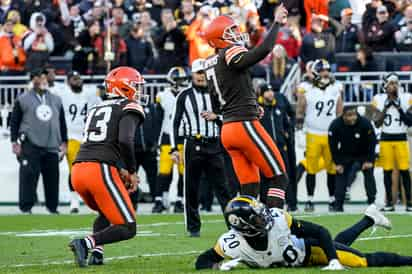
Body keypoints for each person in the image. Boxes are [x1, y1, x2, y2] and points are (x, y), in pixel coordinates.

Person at [202, 4, 289, 209]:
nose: (236, 34)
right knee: (278, 177)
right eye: (230, 32)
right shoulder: (229, 52)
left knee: (249, 188)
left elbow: (218, 101)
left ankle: (245, 234)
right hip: (244, 125)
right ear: (219, 38)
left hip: (228, 129)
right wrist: (276, 23)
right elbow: (263, 50)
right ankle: (276, 227)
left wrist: (249, 103)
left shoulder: (209, 63)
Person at [193, 196, 412, 271]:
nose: (265, 218)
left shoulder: (278, 219)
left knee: (361, 261)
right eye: (257, 217)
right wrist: (218, 266)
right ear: (242, 225)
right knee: (336, 244)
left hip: (308, 251)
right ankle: (369, 218)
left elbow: (320, 232)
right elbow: (202, 261)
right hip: (297, 258)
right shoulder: (231, 243)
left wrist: (333, 261)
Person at [68, 66, 145, 267]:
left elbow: (101, 141)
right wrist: (131, 170)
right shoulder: (128, 106)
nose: (139, 90)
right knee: (128, 227)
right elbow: (125, 140)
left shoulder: (96, 107)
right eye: (136, 86)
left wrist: (118, 168)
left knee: (106, 211)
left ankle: (97, 253)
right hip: (98, 169)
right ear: (124, 87)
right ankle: (86, 243)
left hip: (78, 169)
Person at [170, 58, 232, 237]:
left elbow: (228, 116)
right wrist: (175, 148)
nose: (201, 76)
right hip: (193, 144)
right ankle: (193, 228)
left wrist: (217, 117)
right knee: (191, 188)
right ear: (192, 75)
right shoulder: (184, 95)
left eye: (204, 73)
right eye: (198, 73)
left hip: (214, 143)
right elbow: (175, 122)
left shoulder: (217, 94)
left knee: (223, 189)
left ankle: (234, 226)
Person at [10, 68, 67, 214]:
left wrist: (64, 142)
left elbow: (61, 122)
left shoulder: (56, 99)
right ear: (32, 80)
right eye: (38, 78)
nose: (42, 80)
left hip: (52, 144)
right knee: (28, 177)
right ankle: (26, 208)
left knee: (52, 178)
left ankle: (52, 208)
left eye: (44, 78)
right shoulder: (22, 99)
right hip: (30, 143)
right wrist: (14, 142)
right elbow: (14, 121)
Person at [296, 59, 343, 212]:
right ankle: (310, 200)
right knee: (311, 168)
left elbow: (339, 111)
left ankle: (331, 199)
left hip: (330, 134)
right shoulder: (306, 88)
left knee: (331, 168)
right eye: (322, 70)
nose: (325, 73)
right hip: (312, 133)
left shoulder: (336, 88)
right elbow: (300, 109)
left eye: (327, 70)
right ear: (315, 72)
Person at [55, 71, 101, 213]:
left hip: (88, 137)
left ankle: (92, 201)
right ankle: (74, 202)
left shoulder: (90, 93)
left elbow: (100, 106)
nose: (78, 81)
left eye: (79, 78)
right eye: (74, 79)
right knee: (75, 170)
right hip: (71, 137)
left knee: (91, 171)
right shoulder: (62, 93)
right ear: (68, 81)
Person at [371, 73, 412, 211]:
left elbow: (409, 121)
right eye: (391, 83)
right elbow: (376, 123)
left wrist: (399, 108)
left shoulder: (406, 98)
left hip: (401, 138)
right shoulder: (379, 99)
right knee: (387, 172)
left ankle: (410, 203)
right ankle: (389, 203)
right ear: (385, 85)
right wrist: (386, 108)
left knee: (405, 171)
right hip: (386, 138)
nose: (393, 86)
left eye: (395, 83)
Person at [152, 66, 189, 213]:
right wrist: (156, 139)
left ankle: (180, 200)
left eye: (183, 79)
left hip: (183, 136)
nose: (182, 82)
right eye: (179, 79)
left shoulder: (186, 94)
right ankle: (160, 199)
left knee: (182, 172)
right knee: (164, 172)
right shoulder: (162, 95)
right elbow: (157, 120)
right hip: (167, 137)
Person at [328, 106, 377, 211]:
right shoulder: (335, 125)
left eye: (354, 115)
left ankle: (372, 203)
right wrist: (337, 163)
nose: (352, 118)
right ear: (343, 116)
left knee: (369, 173)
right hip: (345, 155)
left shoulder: (365, 123)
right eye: (349, 115)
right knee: (340, 176)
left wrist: (369, 160)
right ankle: (338, 205)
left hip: (363, 155)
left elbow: (372, 142)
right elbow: (333, 146)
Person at [257, 83, 296, 211]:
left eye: (271, 90)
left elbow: (289, 119)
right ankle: (264, 203)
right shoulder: (258, 109)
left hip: (280, 147)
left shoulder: (278, 106)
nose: (270, 93)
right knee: (265, 177)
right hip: (265, 149)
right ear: (262, 94)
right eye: (267, 91)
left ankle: (290, 203)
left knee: (285, 175)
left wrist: (288, 132)